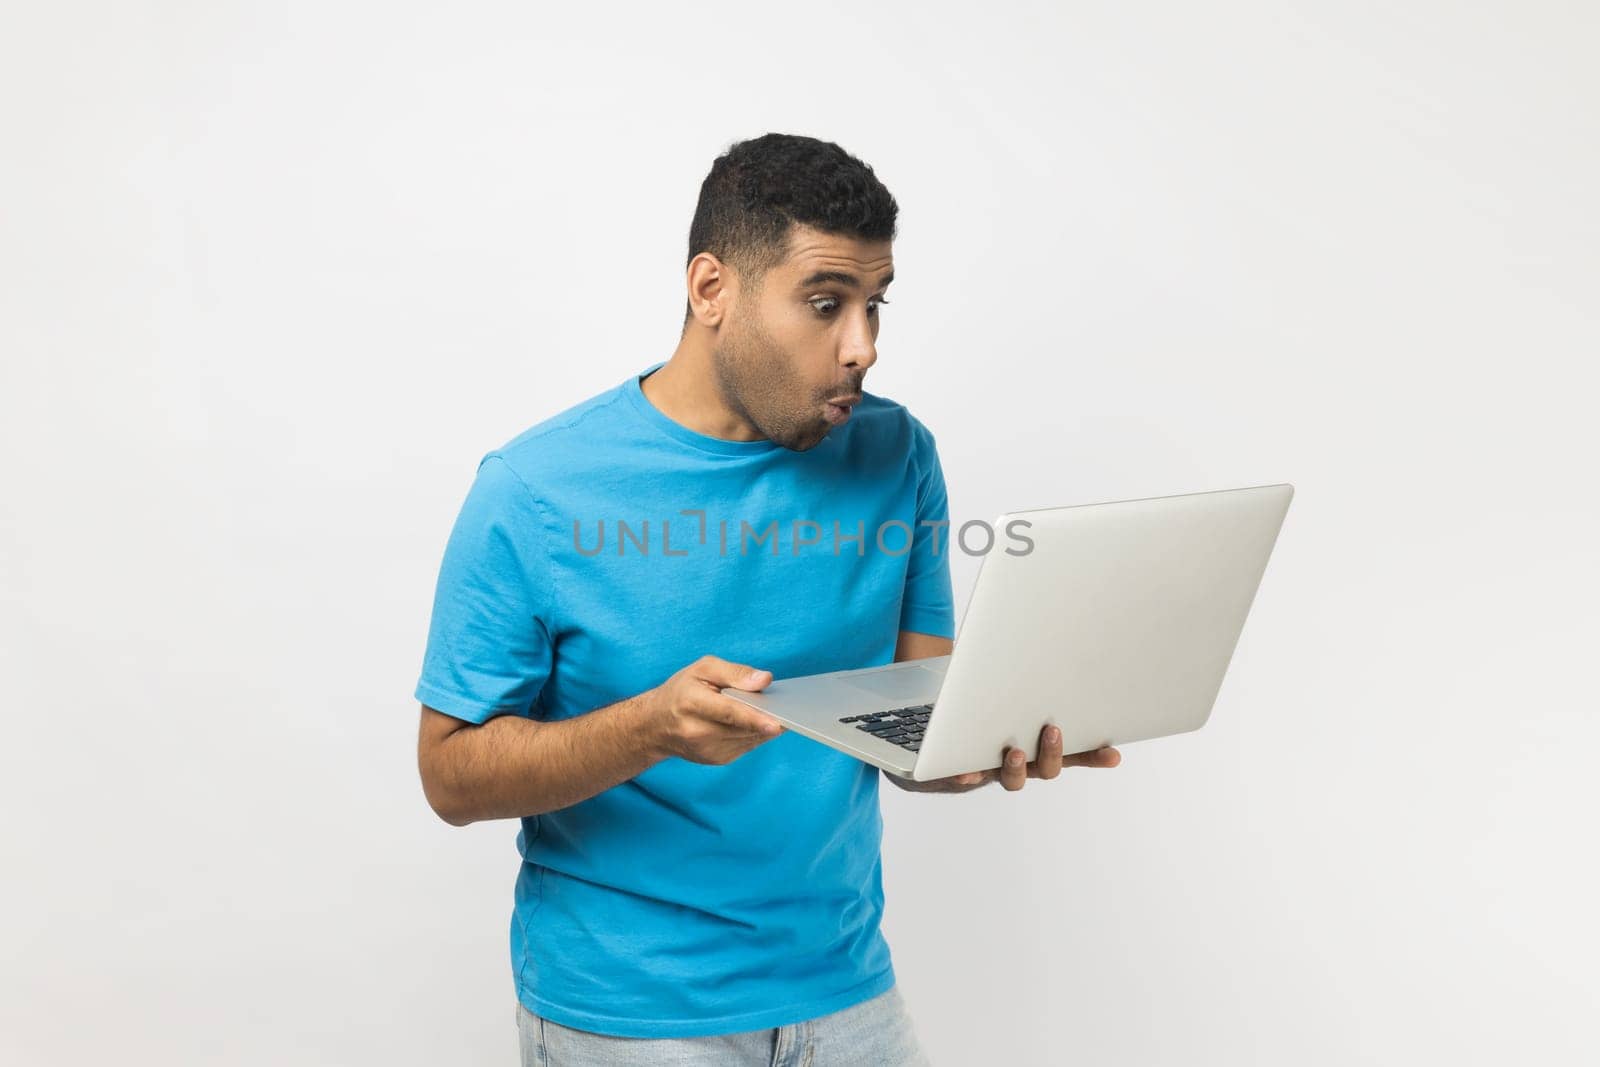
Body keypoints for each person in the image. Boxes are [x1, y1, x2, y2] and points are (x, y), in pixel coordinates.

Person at [413, 132, 1122, 1066]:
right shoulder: (536, 490)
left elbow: (910, 718)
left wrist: (971, 749)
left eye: (875, 304)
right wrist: (648, 727)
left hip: (847, 988)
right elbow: (450, 776)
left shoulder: (898, 455)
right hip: (633, 1013)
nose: (862, 345)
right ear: (712, 289)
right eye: (826, 303)